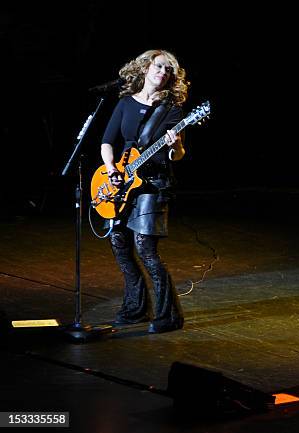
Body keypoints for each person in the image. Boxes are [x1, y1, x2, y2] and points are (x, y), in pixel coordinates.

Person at [100, 49, 189, 334]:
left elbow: (178, 154)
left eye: (168, 70)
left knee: (145, 248)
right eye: (158, 66)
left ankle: (168, 316)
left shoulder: (172, 109)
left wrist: (174, 145)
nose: (163, 72)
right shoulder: (125, 103)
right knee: (118, 242)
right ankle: (135, 308)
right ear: (145, 68)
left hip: (154, 183)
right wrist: (111, 168)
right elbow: (106, 142)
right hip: (123, 180)